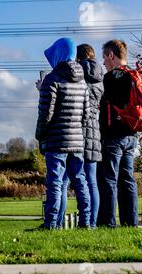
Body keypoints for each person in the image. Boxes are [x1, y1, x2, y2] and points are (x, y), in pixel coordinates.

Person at [35, 37, 91, 229]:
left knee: (56, 183)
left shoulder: (52, 80)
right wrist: (77, 132)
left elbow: (45, 114)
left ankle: (51, 223)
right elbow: (86, 114)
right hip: (77, 141)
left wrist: (40, 135)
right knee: (80, 181)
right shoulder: (83, 81)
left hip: (56, 141)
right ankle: (86, 222)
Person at [57, 44, 104, 229]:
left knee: (65, 179)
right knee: (91, 180)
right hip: (94, 130)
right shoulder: (100, 77)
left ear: (78, 57)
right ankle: (90, 224)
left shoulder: (76, 74)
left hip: (76, 130)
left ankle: (56, 222)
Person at [97, 39, 138, 228]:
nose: (103, 63)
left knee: (109, 180)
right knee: (127, 179)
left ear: (111, 55)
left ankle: (108, 223)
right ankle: (131, 223)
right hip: (132, 136)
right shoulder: (134, 75)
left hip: (114, 136)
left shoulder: (111, 78)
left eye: (104, 58)